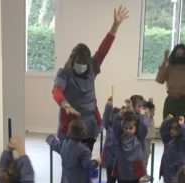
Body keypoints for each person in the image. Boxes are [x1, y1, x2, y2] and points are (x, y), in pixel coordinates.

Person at [52, 5, 130, 149]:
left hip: (90, 124)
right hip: (70, 125)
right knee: (70, 157)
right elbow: (56, 90)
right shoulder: (64, 73)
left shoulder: (92, 67)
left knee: (85, 156)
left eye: (84, 63)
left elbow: (103, 49)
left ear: (88, 62)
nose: (81, 65)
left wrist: (115, 25)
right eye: (78, 63)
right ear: (72, 60)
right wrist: (65, 105)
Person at [110, 104, 147, 183]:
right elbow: (115, 127)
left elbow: (144, 127)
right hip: (123, 169)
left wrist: (142, 116)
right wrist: (119, 115)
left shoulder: (138, 137)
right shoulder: (121, 137)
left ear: (135, 128)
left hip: (134, 169)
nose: (128, 130)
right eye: (125, 128)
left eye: (131, 128)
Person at [155, 44, 185, 120]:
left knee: (182, 125)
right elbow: (159, 80)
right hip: (170, 101)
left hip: (182, 102)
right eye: (178, 54)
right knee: (167, 124)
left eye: (182, 54)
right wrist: (164, 61)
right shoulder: (169, 67)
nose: (180, 56)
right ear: (174, 55)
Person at [101, 96, 121, 183]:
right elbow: (105, 118)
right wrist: (108, 106)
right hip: (110, 159)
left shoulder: (122, 130)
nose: (115, 120)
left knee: (122, 179)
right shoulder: (108, 127)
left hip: (120, 160)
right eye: (114, 118)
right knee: (110, 179)